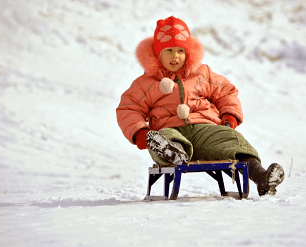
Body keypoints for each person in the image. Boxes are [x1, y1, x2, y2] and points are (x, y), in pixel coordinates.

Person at [116, 16, 284, 196]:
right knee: (163, 137)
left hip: (204, 129)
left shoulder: (202, 74)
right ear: (158, 53)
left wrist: (229, 116)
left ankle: (261, 177)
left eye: (180, 50)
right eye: (169, 50)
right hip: (169, 129)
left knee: (230, 138)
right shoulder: (146, 83)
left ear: (187, 52)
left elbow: (226, 91)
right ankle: (172, 152)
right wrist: (141, 133)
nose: (175, 56)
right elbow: (129, 108)